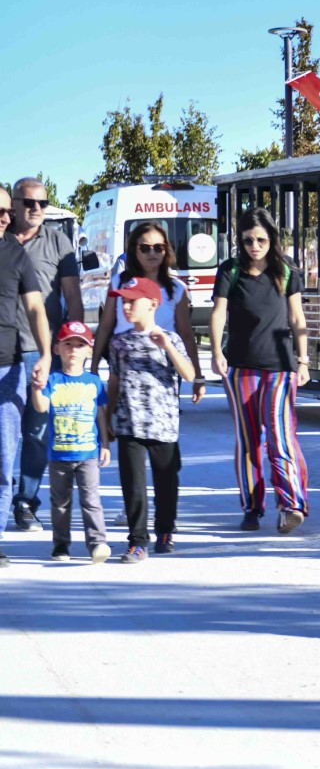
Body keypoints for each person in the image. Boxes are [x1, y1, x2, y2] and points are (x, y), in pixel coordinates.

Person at [210, 208, 312, 535]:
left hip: (281, 367)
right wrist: (215, 353)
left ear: (272, 239)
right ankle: (252, 507)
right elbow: (218, 313)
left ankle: (291, 505)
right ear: (240, 240)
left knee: (280, 438)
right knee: (248, 440)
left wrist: (304, 359)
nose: (255, 246)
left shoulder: (286, 271)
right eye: (249, 240)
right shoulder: (231, 270)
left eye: (262, 240)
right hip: (240, 366)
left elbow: (297, 318)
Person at [9, 177, 83, 533]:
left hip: (43, 353)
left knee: (38, 433)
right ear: (14, 203)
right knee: (6, 435)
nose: (36, 209)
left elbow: (73, 297)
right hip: (5, 353)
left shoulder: (58, 241)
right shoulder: (4, 240)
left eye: (42, 202)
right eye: (28, 202)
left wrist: (76, 348)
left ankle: (25, 503)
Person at [108, 277, 198, 560]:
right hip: (129, 423)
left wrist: (167, 347)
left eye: (132, 301)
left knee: (166, 482)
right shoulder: (119, 342)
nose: (126, 306)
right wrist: (108, 418)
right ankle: (137, 541)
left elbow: (189, 374)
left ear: (153, 304)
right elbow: (114, 380)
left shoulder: (170, 338)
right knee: (133, 485)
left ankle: (165, 530)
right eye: (123, 301)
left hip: (163, 424)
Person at [90, 221, 205, 402]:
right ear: (134, 251)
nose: (152, 253)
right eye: (145, 248)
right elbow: (105, 326)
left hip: (163, 371)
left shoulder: (177, 289)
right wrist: (94, 367)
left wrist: (198, 376)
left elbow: (186, 334)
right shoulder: (119, 283)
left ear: (166, 250)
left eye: (158, 247)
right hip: (125, 369)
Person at [0, 205, 53, 568]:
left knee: (3, 460)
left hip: (8, 368)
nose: (5, 217)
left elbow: (35, 308)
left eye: (6, 210)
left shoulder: (14, 252)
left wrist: (47, 354)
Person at [31, 320, 110, 564]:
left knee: (91, 501)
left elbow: (101, 414)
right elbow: (42, 407)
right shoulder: (52, 380)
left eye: (80, 345)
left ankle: (97, 543)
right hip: (59, 455)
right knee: (61, 504)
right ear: (57, 349)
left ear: (89, 350)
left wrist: (105, 444)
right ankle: (61, 545)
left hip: (88, 453)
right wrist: (36, 388)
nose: (73, 350)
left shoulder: (94, 382)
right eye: (68, 344)